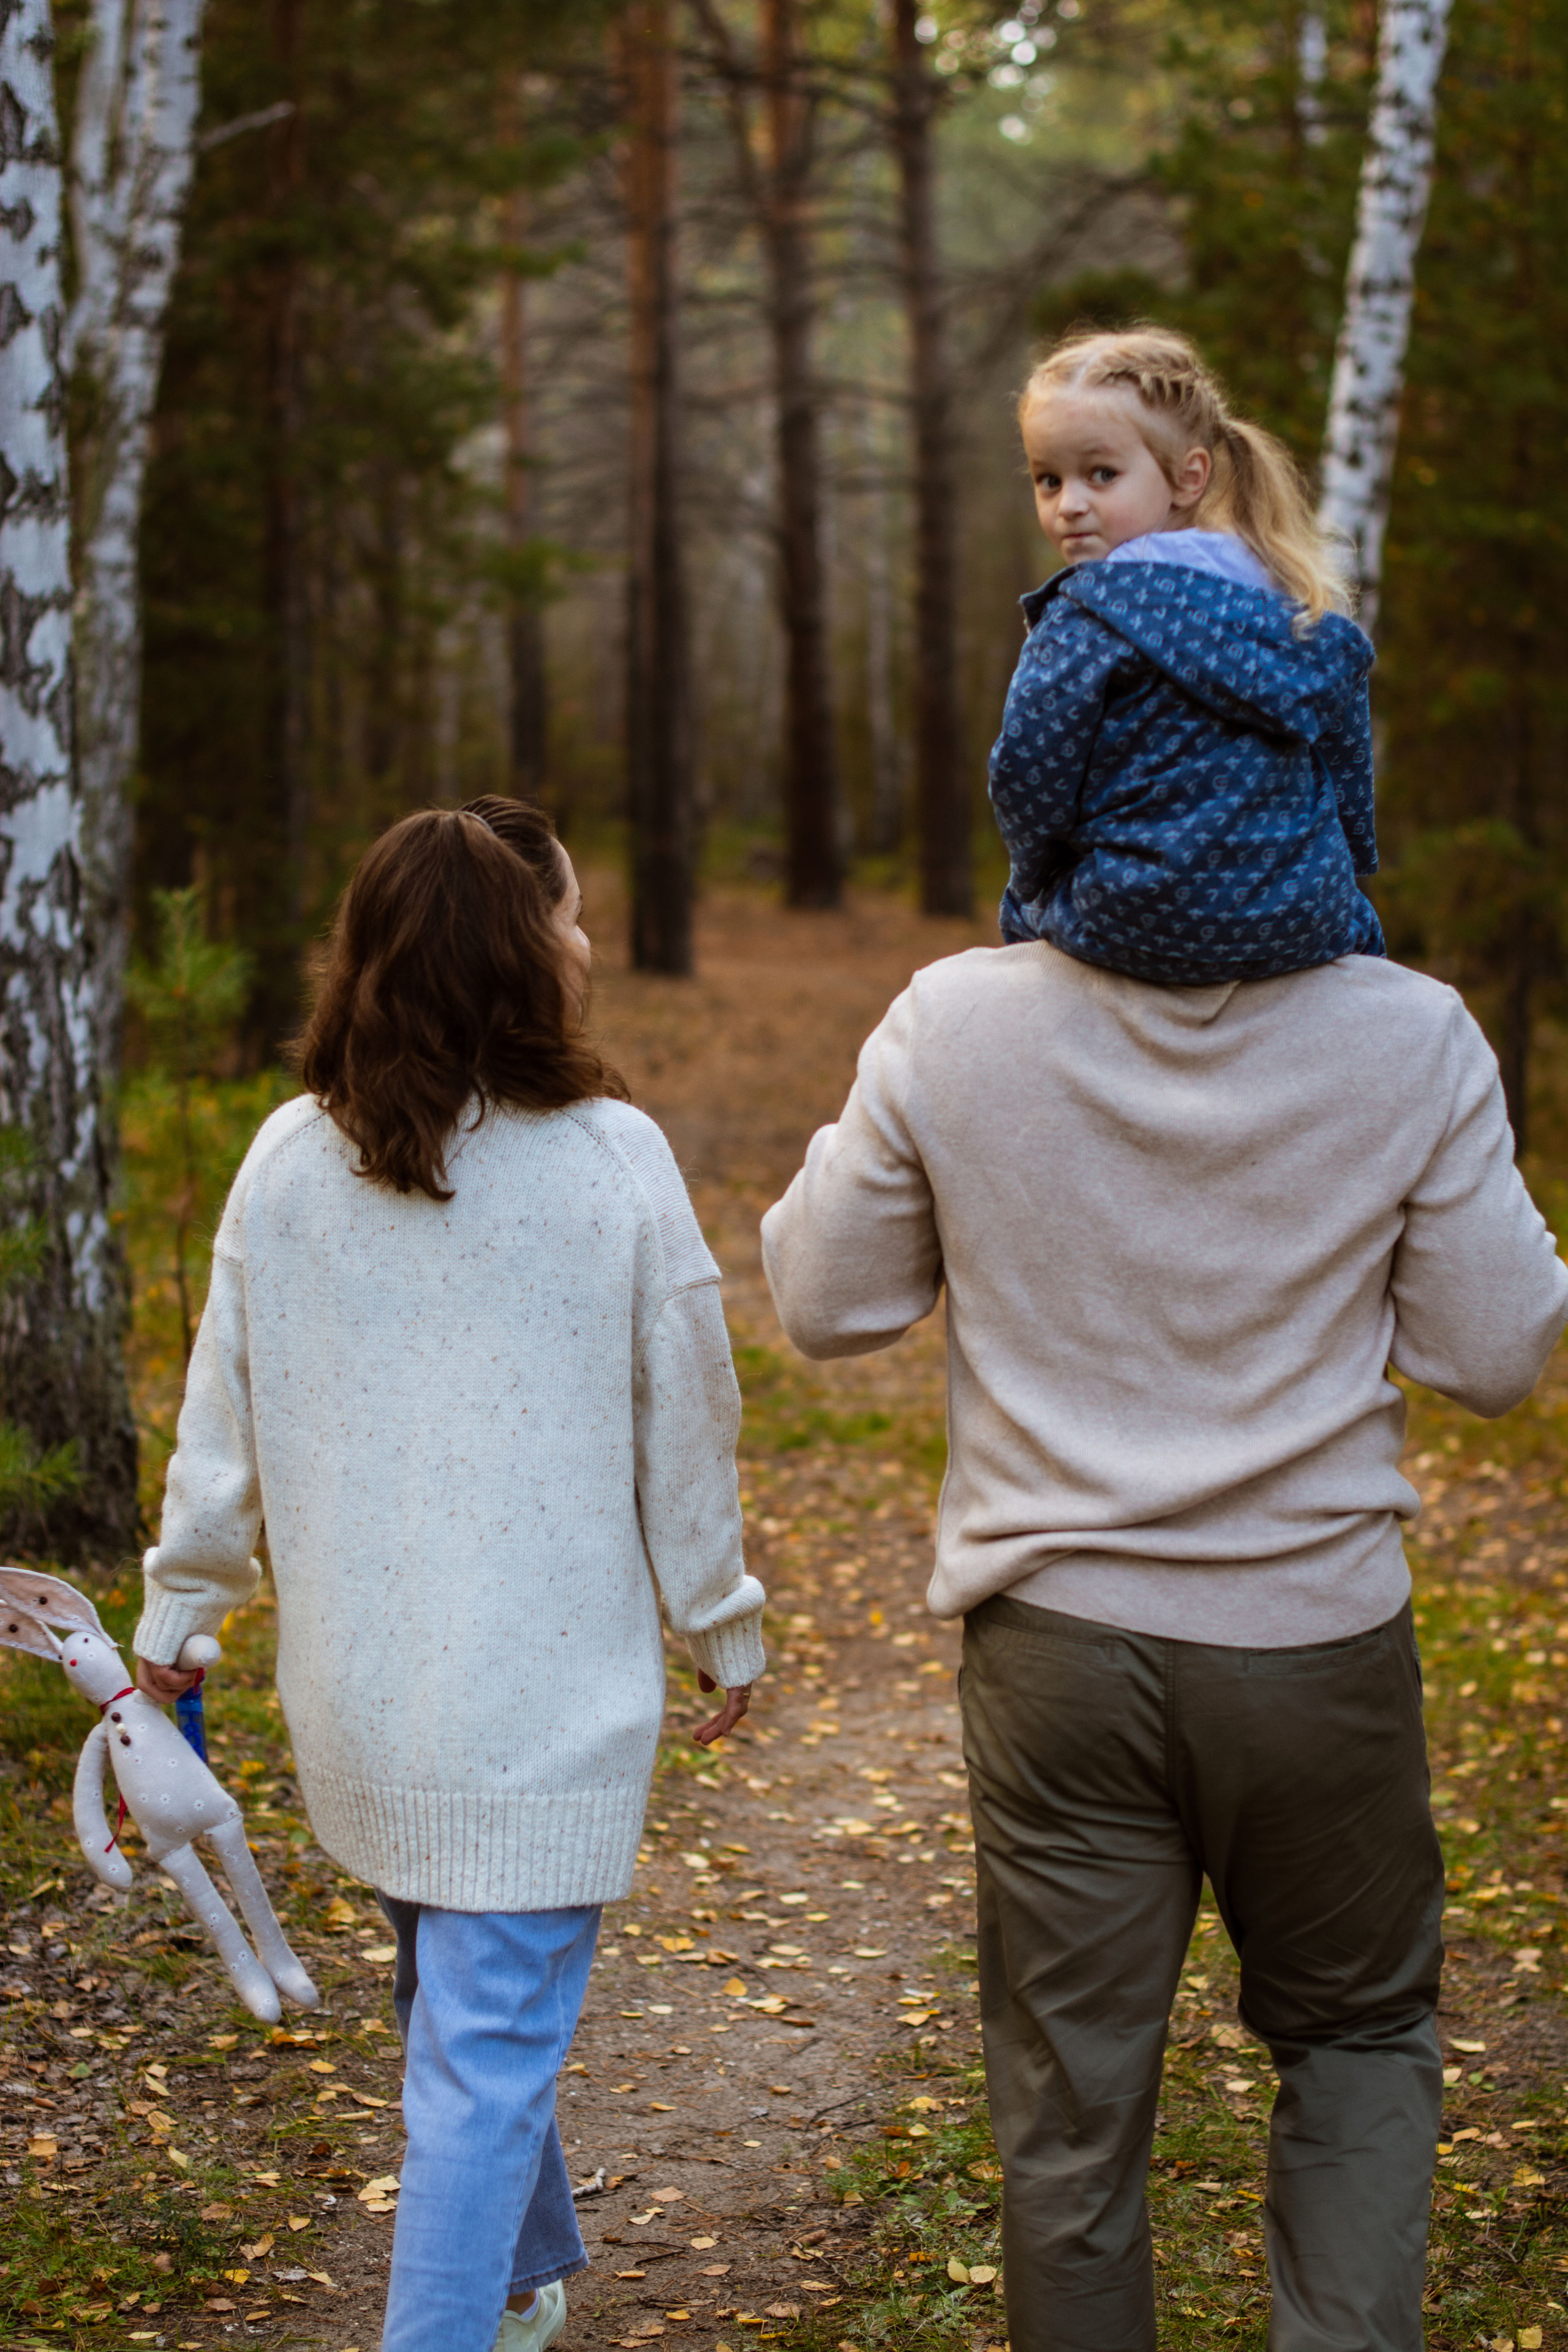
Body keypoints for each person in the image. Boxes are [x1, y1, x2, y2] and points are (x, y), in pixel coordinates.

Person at [760, 931, 1568, 2348]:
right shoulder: (1409, 1031)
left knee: (1068, 2114)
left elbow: (825, 1298)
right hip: (1315, 1642)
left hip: (1057, 1647)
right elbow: (1491, 1349)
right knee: (1355, 2039)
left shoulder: (955, 1019)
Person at [132, 796, 766, 2352]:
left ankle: (518, 2279)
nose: (584, 941)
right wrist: (717, 1618)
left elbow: (219, 1413)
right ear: (516, 955)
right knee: (479, 2057)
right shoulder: (610, 1160)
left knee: (455, 2005)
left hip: (366, 1695)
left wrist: (184, 1608)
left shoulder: (287, 1157)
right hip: (538, 1708)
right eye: (566, 917)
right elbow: (687, 1415)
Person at [990, 325, 1385, 984]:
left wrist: (1033, 874)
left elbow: (1029, 773)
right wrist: (1346, 869)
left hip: (1128, 914)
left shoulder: (1084, 616)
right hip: (1302, 916)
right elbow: (1343, 749)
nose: (1070, 505)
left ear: (1188, 477)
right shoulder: (1284, 605)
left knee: (1020, 910)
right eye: (1048, 480)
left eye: (1101, 474)